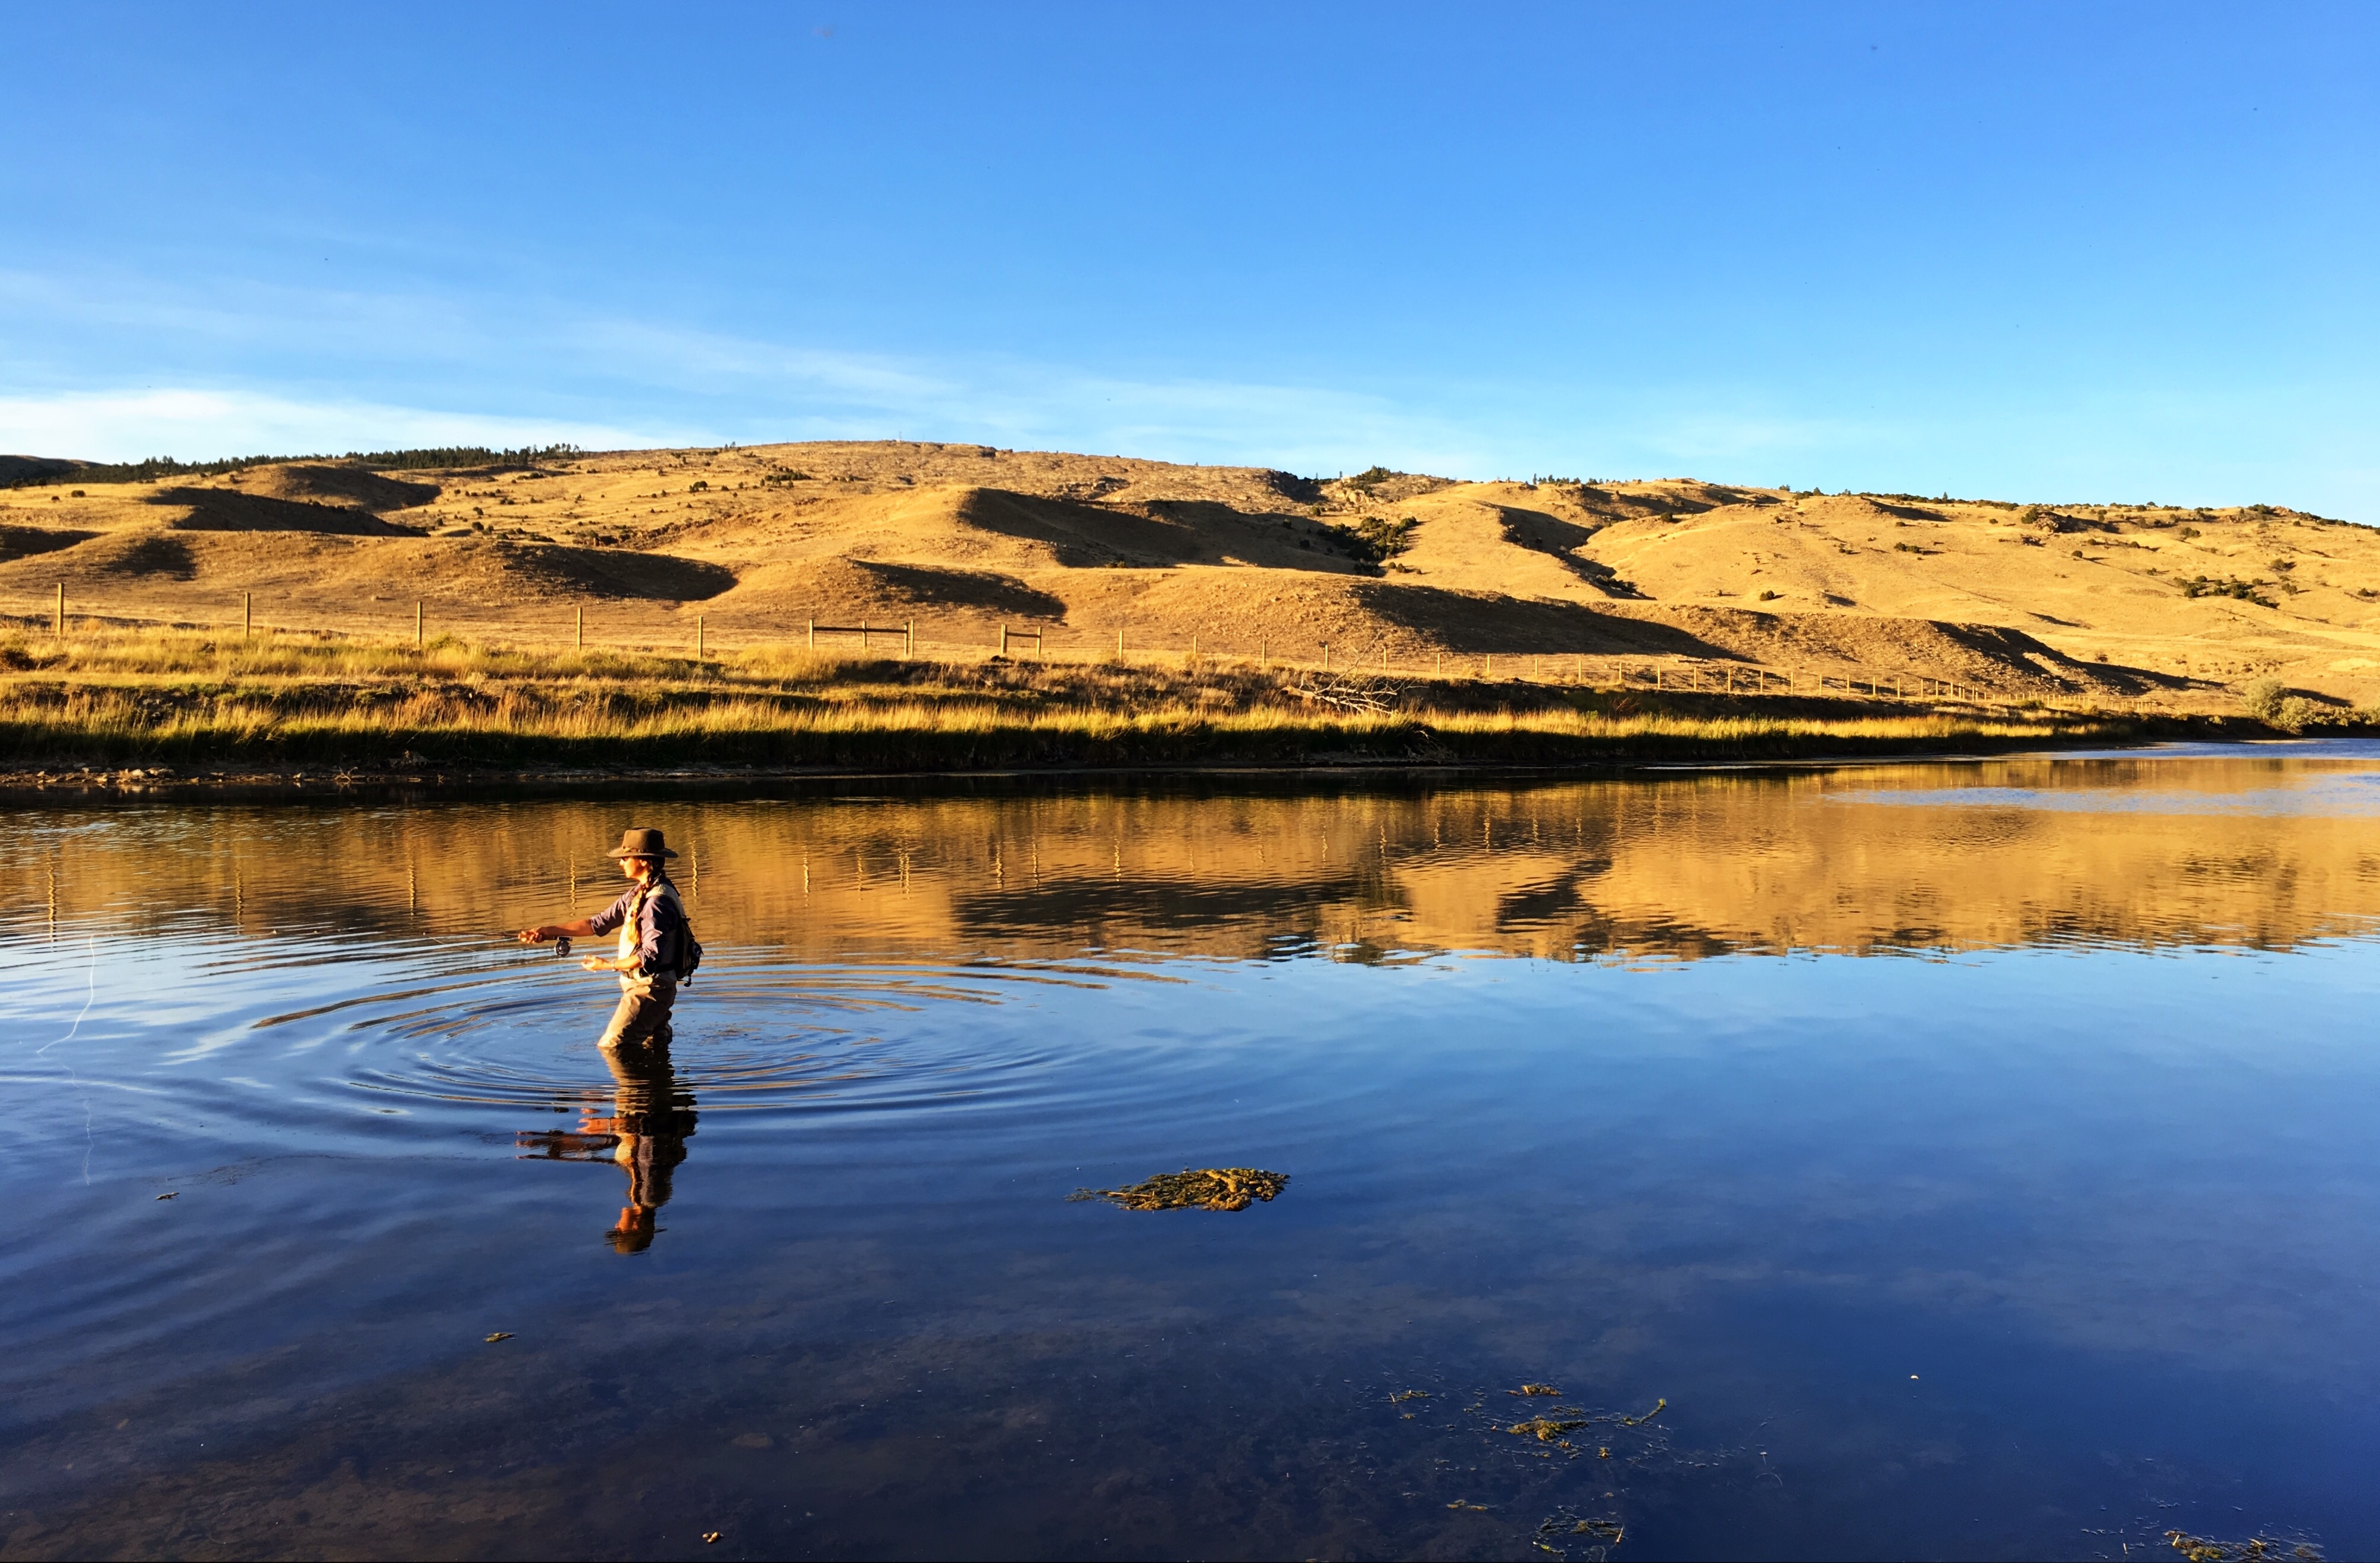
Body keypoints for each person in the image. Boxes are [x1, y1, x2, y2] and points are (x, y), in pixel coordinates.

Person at [518, 826, 690, 1050]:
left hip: (651, 988)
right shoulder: (639, 893)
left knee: (611, 1047)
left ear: (644, 861)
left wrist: (607, 965)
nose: (621, 862)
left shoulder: (656, 903)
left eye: (626, 857)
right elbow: (596, 924)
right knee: (653, 1045)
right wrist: (546, 931)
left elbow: (649, 955)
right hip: (644, 985)